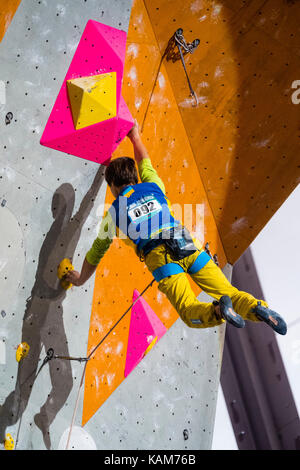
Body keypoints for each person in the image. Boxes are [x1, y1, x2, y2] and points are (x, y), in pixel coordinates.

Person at [65, 123, 287, 335]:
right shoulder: (154, 186)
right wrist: (135, 136)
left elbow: (95, 254)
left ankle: (219, 311)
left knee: (190, 313)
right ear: (135, 178)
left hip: (161, 257)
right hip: (187, 244)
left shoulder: (113, 213)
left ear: (113, 186)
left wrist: (80, 279)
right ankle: (258, 308)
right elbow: (145, 163)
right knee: (231, 292)